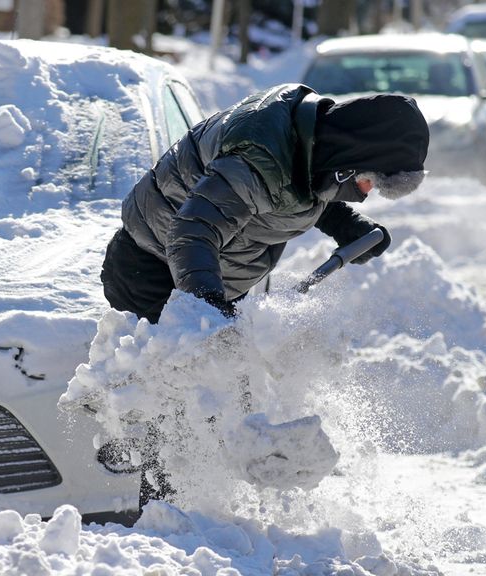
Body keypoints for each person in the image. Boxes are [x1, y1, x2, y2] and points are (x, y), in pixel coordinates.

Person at [99, 83, 430, 506]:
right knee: (182, 408)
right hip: (156, 272)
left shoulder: (316, 148)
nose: (365, 192)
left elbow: (303, 191)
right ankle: (164, 523)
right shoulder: (259, 154)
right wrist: (205, 309)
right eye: (367, 180)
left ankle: (211, 512)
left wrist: (348, 227)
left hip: (214, 283)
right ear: (350, 158)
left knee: (224, 400)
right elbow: (190, 232)